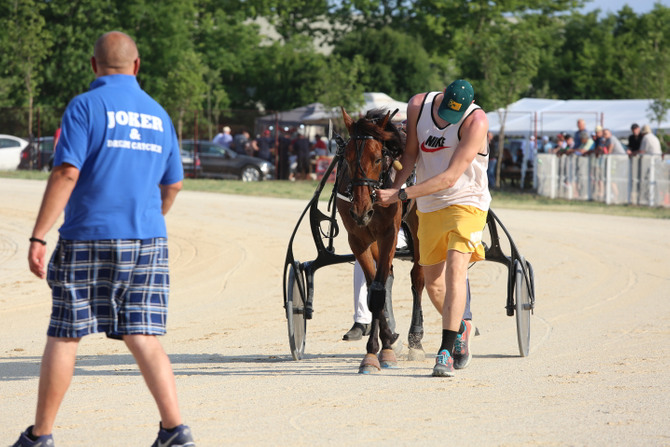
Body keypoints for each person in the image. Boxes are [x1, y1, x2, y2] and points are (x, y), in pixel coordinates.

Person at [13, 31, 195, 447]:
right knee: (143, 334)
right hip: (146, 238)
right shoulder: (158, 113)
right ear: (136, 66)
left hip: (87, 236)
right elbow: (175, 184)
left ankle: (41, 435)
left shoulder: (85, 106)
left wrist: (39, 236)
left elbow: (66, 172)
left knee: (66, 332)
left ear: (94, 65)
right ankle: (174, 430)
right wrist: (150, 216)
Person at [377, 79, 490, 377]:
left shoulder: (476, 121)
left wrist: (400, 195)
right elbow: (411, 154)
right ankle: (462, 327)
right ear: (441, 99)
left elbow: (450, 177)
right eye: (445, 113)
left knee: (456, 269)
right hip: (429, 205)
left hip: (467, 202)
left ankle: (445, 352)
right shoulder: (418, 106)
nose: (448, 120)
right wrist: (394, 190)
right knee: (433, 283)